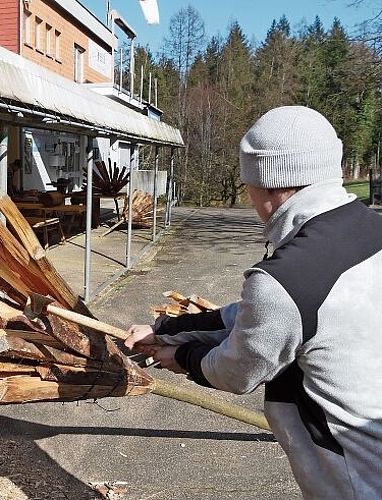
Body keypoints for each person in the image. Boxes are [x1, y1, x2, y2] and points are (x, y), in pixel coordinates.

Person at [124, 106, 382, 499]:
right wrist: (164, 330)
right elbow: (258, 316)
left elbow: (236, 371)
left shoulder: (286, 279)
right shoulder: (369, 229)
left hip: (356, 475)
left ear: (264, 182)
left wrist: (182, 357)